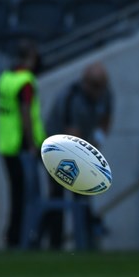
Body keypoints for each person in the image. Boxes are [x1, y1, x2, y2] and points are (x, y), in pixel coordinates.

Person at [42, 62, 114, 249]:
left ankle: (86, 242)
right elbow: (71, 137)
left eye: (102, 87)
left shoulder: (105, 94)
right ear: (86, 84)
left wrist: (98, 141)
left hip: (82, 146)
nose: (99, 92)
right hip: (58, 151)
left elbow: (106, 118)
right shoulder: (70, 98)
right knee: (57, 195)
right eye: (96, 87)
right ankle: (54, 243)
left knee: (84, 195)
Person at [0, 39, 46, 249]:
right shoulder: (25, 82)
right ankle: (25, 237)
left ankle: (13, 236)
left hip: (6, 143)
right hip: (22, 145)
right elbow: (26, 113)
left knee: (16, 193)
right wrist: (32, 143)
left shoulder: (5, 78)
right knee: (28, 195)